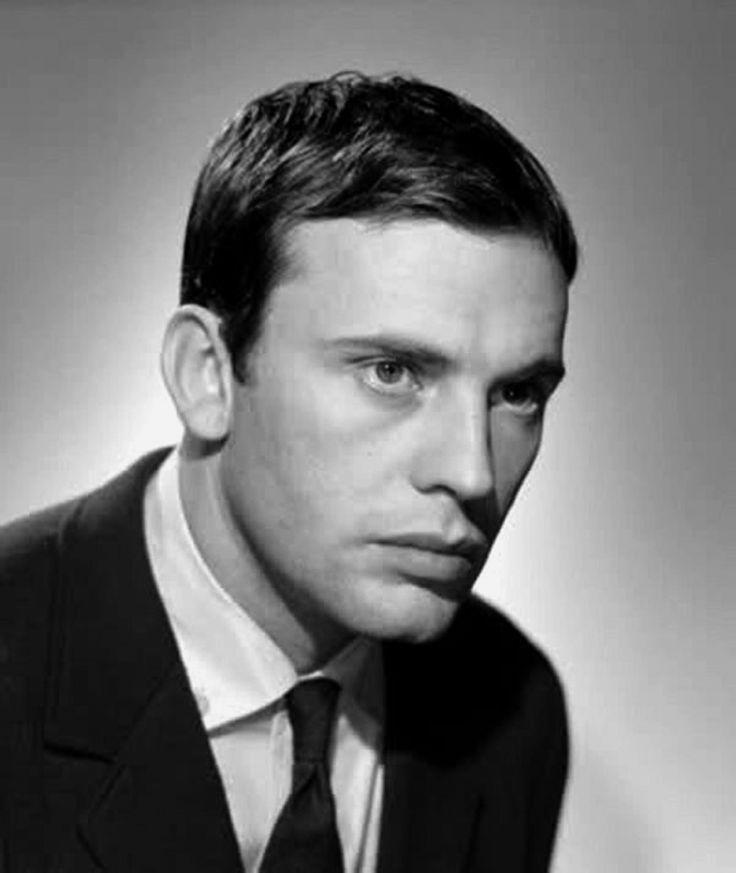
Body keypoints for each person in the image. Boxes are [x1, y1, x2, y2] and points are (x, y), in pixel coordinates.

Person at [0, 72, 578, 873]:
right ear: (207, 374)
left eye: (518, 393)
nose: (472, 471)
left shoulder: (513, 713)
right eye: (391, 371)